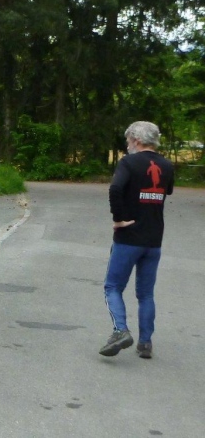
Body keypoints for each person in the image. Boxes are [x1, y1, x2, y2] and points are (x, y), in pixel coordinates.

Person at [99, 121, 174, 359]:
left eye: (128, 140)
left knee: (113, 286)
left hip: (128, 238)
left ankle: (120, 330)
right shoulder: (167, 165)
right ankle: (145, 343)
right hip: (154, 239)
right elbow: (167, 191)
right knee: (146, 294)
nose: (127, 145)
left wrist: (119, 219)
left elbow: (115, 189)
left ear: (137, 140)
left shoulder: (128, 163)